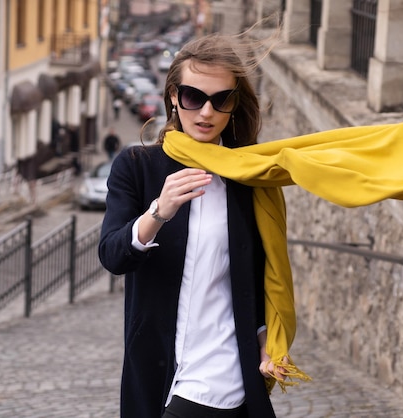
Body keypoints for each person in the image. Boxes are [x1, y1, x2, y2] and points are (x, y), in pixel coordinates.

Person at [99, 33, 292, 417]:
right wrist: (158, 212)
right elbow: (113, 255)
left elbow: (257, 270)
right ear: (173, 95)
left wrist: (264, 333)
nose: (206, 112)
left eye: (222, 100)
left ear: (235, 104)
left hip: (223, 369)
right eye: (193, 97)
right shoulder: (137, 167)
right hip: (158, 363)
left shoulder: (247, 175)